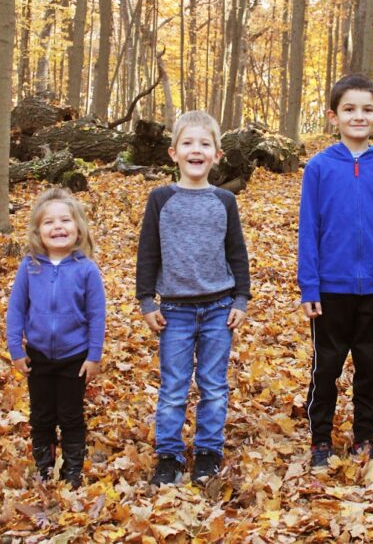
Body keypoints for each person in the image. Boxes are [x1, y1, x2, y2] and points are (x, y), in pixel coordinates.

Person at [298, 74, 373, 472]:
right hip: (330, 289)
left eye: (366, 110)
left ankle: (365, 439)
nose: (358, 116)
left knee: (370, 370)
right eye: (349, 109)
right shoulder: (320, 168)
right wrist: (309, 285)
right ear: (334, 116)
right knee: (326, 368)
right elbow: (309, 230)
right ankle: (320, 441)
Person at [136, 110, 251, 486]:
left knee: (214, 385)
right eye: (188, 143)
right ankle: (168, 455)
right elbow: (148, 252)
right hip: (175, 311)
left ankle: (207, 452)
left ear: (217, 154)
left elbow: (237, 253)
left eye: (204, 144)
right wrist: (146, 302)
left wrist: (241, 300)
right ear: (173, 153)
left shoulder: (224, 201)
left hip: (219, 308)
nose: (196, 150)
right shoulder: (160, 198)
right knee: (173, 386)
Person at [6, 187, 106, 488]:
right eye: (49, 222)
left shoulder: (87, 270)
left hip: (74, 357)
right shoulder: (30, 267)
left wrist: (94, 355)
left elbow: (97, 316)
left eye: (65, 220)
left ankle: (73, 470)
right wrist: (15, 348)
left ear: (78, 229)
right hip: (38, 355)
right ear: (38, 231)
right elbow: (16, 307)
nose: (58, 227)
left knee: (71, 415)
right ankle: (45, 467)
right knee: (41, 415)